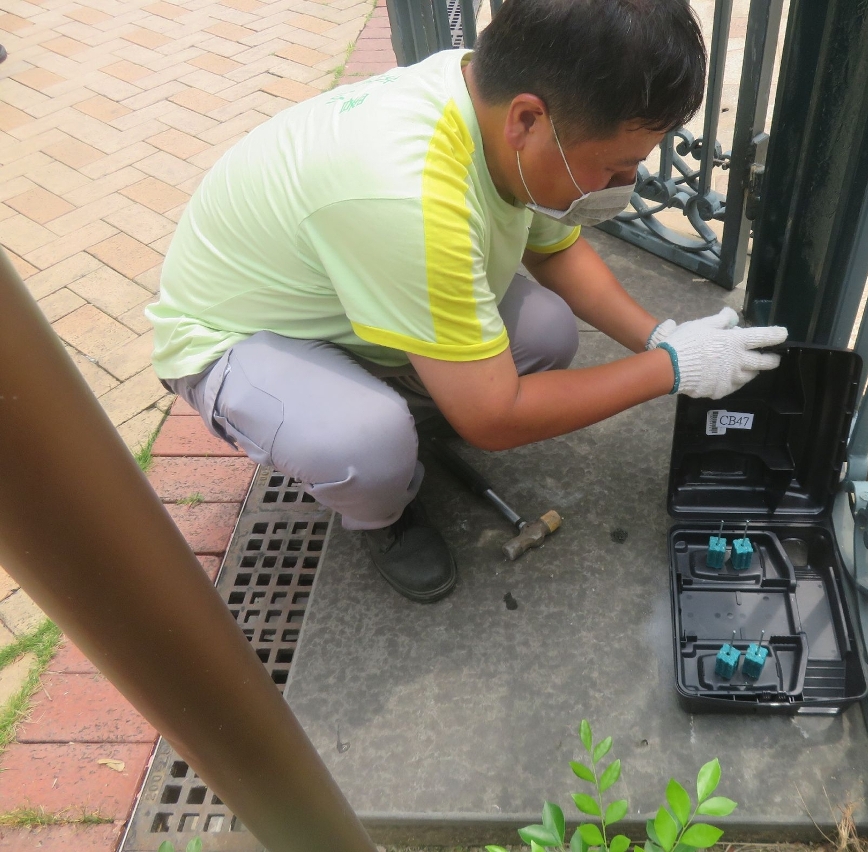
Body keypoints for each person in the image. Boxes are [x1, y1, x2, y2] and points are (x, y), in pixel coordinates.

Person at [147, 0, 787, 604]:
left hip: (345, 295)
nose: (625, 184)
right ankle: (381, 512)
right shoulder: (410, 196)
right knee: (368, 443)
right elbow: (495, 420)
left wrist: (658, 336)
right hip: (241, 335)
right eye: (615, 166)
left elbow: (555, 253)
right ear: (528, 121)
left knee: (546, 331)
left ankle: (415, 407)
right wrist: (672, 369)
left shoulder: (485, 101)